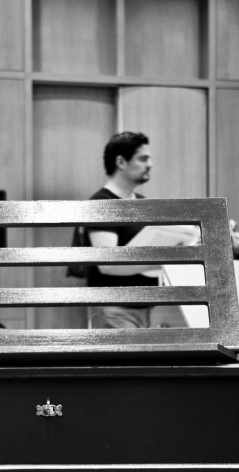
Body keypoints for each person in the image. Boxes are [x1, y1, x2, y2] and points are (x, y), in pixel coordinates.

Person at [83, 131, 157, 329]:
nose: (150, 164)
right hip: (114, 308)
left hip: (147, 307)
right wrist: (160, 261)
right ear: (121, 162)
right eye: (143, 159)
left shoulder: (143, 203)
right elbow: (108, 264)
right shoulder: (102, 203)